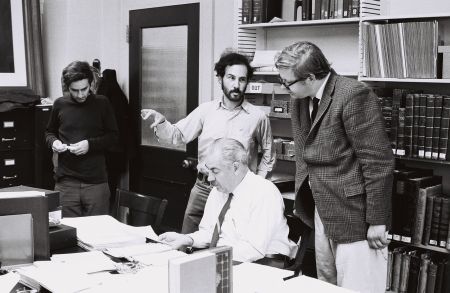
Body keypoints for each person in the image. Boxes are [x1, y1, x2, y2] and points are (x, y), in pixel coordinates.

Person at [275, 41, 394, 293]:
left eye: (288, 82)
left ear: (309, 77)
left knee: (358, 287)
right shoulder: (301, 99)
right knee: (326, 284)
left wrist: (377, 221)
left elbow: (378, 163)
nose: (285, 88)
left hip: (355, 216)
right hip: (321, 210)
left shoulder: (353, 95)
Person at [141, 51, 276, 233]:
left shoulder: (258, 117)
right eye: (231, 78)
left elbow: (269, 154)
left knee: (228, 245)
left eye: (242, 80)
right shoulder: (206, 111)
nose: (236, 85)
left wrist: (257, 184)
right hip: (204, 187)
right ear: (220, 79)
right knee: (187, 240)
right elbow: (177, 135)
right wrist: (163, 123)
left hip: (238, 191)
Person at [158, 138, 296, 264]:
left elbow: (252, 249)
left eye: (215, 171)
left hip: (265, 266)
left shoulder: (264, 192)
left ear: (236, 167)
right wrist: (187, 239)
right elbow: (209, 233)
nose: (210, 178)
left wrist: (207, 259)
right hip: (225, 260)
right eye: (208, 171)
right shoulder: (218, 190)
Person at [45, 61, 119, 217]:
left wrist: (89, 145)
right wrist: (54, 142)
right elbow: (49, 132)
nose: (80, 95)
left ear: (90, 84)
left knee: (97, 236)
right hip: (66, 184)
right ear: (67, 87)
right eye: (75, 90)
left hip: (96, 183)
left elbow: (114, 137)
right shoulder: (59, 104)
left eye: (84, 89)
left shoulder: (102, 103)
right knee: (66, 235)